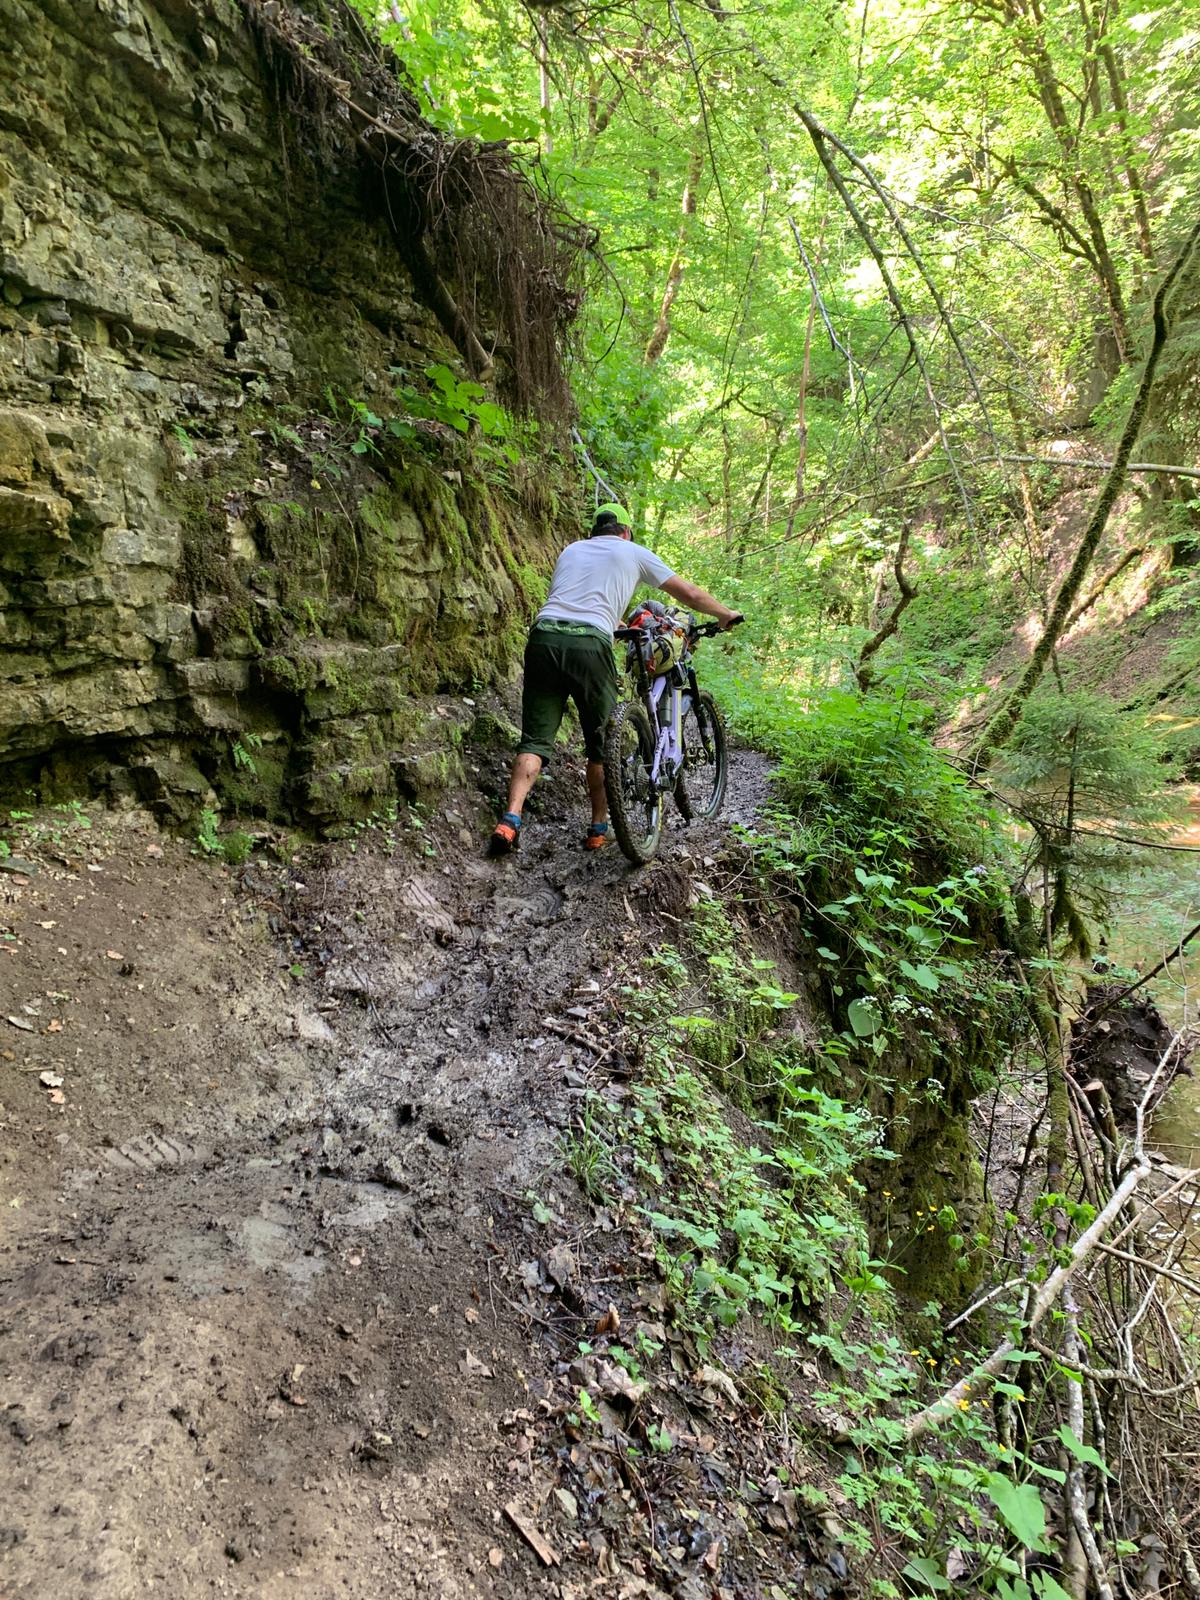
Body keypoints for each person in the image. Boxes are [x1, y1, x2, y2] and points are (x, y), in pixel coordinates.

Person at [489, 503, 742, 855]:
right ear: (625, 532)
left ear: (596, 530)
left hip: (543, 637)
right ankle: (597, 828)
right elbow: (691, 595)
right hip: (589, 646)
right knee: (603, 740)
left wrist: (618, 625)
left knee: (534, 741)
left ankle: (510, 819)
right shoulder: (632, 551)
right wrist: (725, 613)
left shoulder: (572, 550)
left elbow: (576, 602)